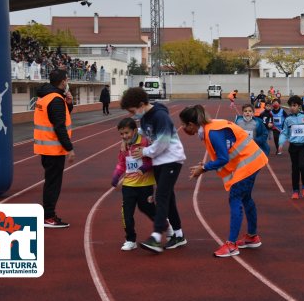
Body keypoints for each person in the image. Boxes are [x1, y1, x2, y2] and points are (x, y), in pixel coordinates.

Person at [180, 105, 268, 257]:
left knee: (235, 198)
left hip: (249, 162)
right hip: (252, 160)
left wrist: (205, 167)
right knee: (246, 198)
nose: (182, 128)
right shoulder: (212, 126)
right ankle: (252, 236)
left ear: (192, 124)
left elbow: (223, 158)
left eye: (183, 125)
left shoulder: (212, 132)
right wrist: (205, 166)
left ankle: (231, 245)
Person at [120, 87, 187, 253]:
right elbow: (146, 131)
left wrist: (144, 151)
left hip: (171, 159)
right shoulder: (146, 118)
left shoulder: (159, 116)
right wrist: (130, 138)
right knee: (169, 197)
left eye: (132, 111)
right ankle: (178, 234)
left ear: (142, 104)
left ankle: (156, 236)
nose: (132, 115)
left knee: (162, 196)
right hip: (159, 161)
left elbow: (163, 142)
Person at [33, 69, 75, 228]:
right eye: (67, 79)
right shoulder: (56, 99)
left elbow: (59, 117)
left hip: (45, 147)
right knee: (53, 184)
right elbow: (59, 126)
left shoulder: (45, 96)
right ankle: (49, 216)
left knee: (51, 182)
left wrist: (68, 104)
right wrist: (69, 148)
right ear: (63, 81)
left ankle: (48, 214)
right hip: (54, 149)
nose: (67, 82)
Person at [111, 118, 157, 251]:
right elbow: (121, 163)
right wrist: (116, 176)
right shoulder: (124, 146)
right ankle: (130, 239)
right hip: (129, 185)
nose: (124, 136)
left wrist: (143, 168)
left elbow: (151, 160)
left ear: (135, 131)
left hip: (145, 184)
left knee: (148, 209)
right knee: (126, 212)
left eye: (126, 133)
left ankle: (166, 226)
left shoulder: (144, 142)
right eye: (121, 134)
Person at [278, 95, 304, 199]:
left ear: (299, 106)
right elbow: (284, 133)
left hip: (303, 146)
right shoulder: (288, 120)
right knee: (295, 169)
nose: (292, 108)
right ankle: (295, 190)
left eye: (294, 105)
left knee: (302, 166)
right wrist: (281, 143)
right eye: (290, 106)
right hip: (293, 147)